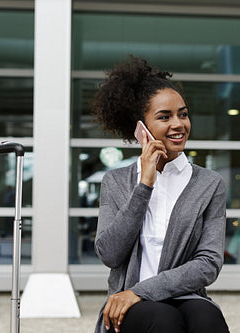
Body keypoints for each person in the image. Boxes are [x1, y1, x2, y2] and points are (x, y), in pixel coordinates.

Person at [91, 55, 229, 333]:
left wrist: (141, 291)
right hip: (128, 304)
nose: (178, 124)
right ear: (142, 129)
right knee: (163, 321)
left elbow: (208, 263)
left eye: (183, 114)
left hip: (184, 296)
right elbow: (109, 254)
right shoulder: (116, 181)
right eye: (164, 117)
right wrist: (144, 185)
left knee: (208, 319)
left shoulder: (209, 183)